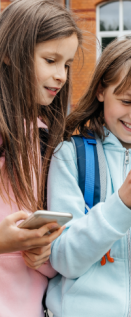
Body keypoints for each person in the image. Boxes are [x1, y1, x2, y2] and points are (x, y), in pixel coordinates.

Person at [0, 0, 81, 317]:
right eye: (50, 60)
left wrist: (46, 253)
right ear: (10, 54)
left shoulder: (46, 139)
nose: (62, 76)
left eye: (66, 64)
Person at [46, 38, 131, 317]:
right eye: (127, 100)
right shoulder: (70, 156)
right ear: (100, 91)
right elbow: (63, 258)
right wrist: (122, 205)